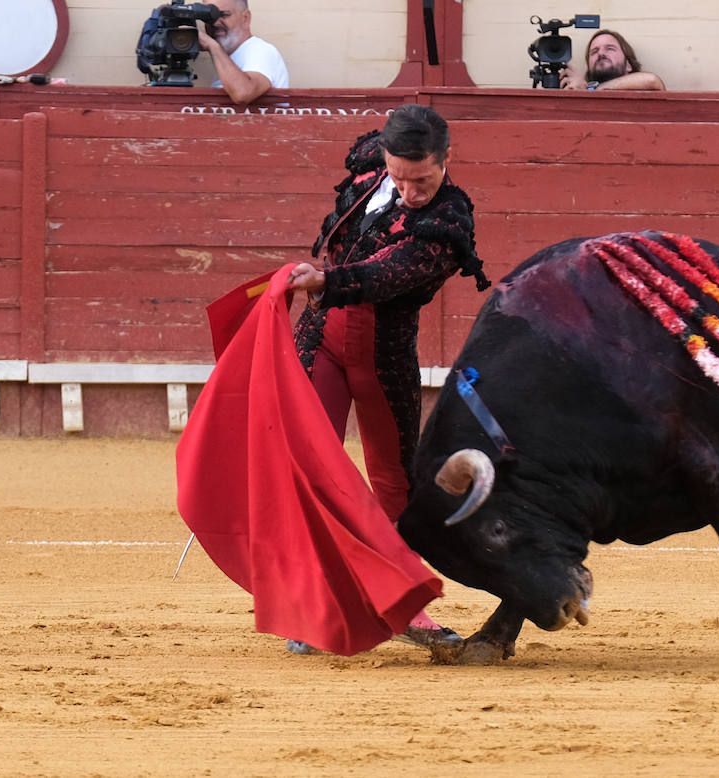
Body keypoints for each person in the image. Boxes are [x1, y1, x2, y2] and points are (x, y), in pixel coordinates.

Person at [284, 104, 490, 654]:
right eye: (399, 175)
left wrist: (324, 279)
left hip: (382, 349)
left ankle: (405, 603)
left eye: (420, 179)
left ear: (446, 162)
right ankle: (320, 604)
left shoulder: (451, 221)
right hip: (319, 335)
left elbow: (386, 274)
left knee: (396, 481)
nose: (409, 189)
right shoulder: (370, 166)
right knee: (309, 467)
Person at [197, 0, 289, 104]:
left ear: (246, 18)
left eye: (224, 15)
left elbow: (243, 93)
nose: (216, 23)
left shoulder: (260, 50)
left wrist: (212, 46)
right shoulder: (229, 58)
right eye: (209, 17)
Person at [561, 29, 665, 92]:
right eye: (594, 51)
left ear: (628, 65)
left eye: (610, 48)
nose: (601, 53)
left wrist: (590, 90)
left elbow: (652, 80)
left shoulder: (645, 87)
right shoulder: (581, 88)